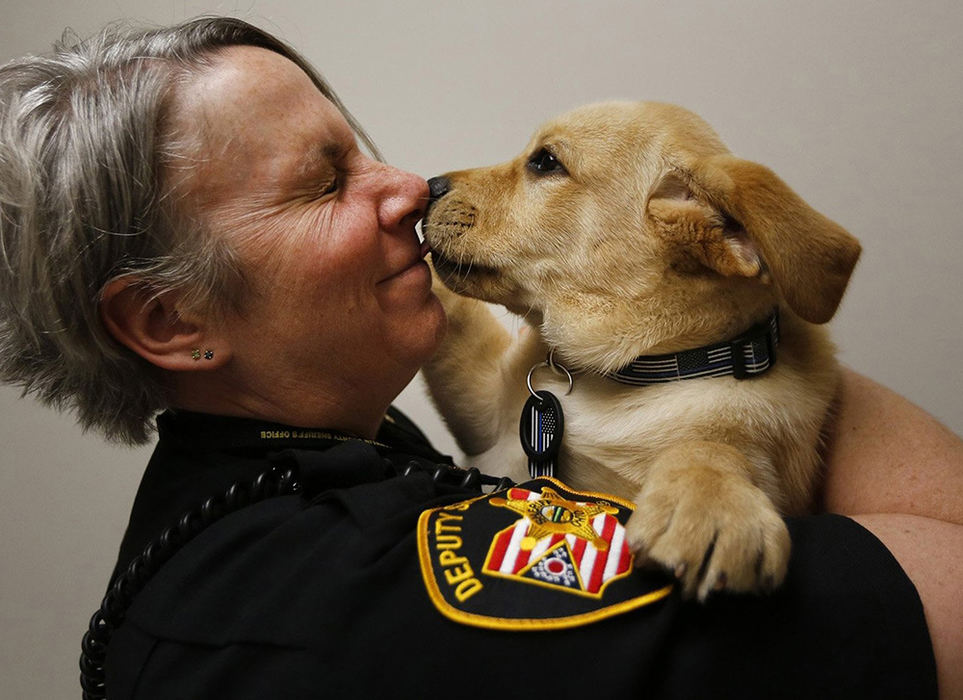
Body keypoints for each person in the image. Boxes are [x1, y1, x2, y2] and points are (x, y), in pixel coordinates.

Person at [0, 16, 959, 700]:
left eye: (363, 150)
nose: (411, 187)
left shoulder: (326, 461)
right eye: (324, 182)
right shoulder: (366, 590)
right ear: (172, 320)